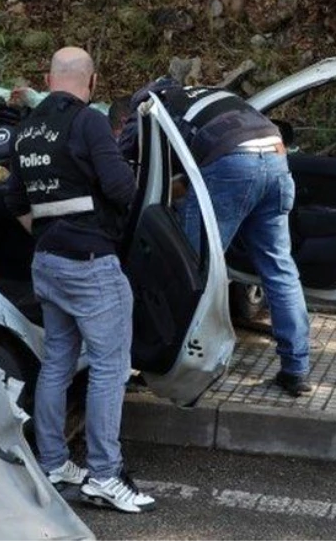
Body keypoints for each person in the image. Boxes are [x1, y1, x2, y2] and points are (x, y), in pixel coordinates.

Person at [4, 47, 155, 514]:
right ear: (90, 82)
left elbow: (15, 200)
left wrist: (52, 232)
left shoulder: (26, 129)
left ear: (48, 78)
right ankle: (106, 476)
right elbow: (120, 187)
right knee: (111, 366)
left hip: (46, 261)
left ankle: (52, 462)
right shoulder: (89, 121)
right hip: (90, 262)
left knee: (57, 363)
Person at [119, 76, 313, 397]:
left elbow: (125, 160)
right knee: (279, 269)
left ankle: (176, 368)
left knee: (189, 273)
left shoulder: (151, 105)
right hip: (277, 157)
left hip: (232, 164)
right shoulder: (206, 95)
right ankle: (296, 370)